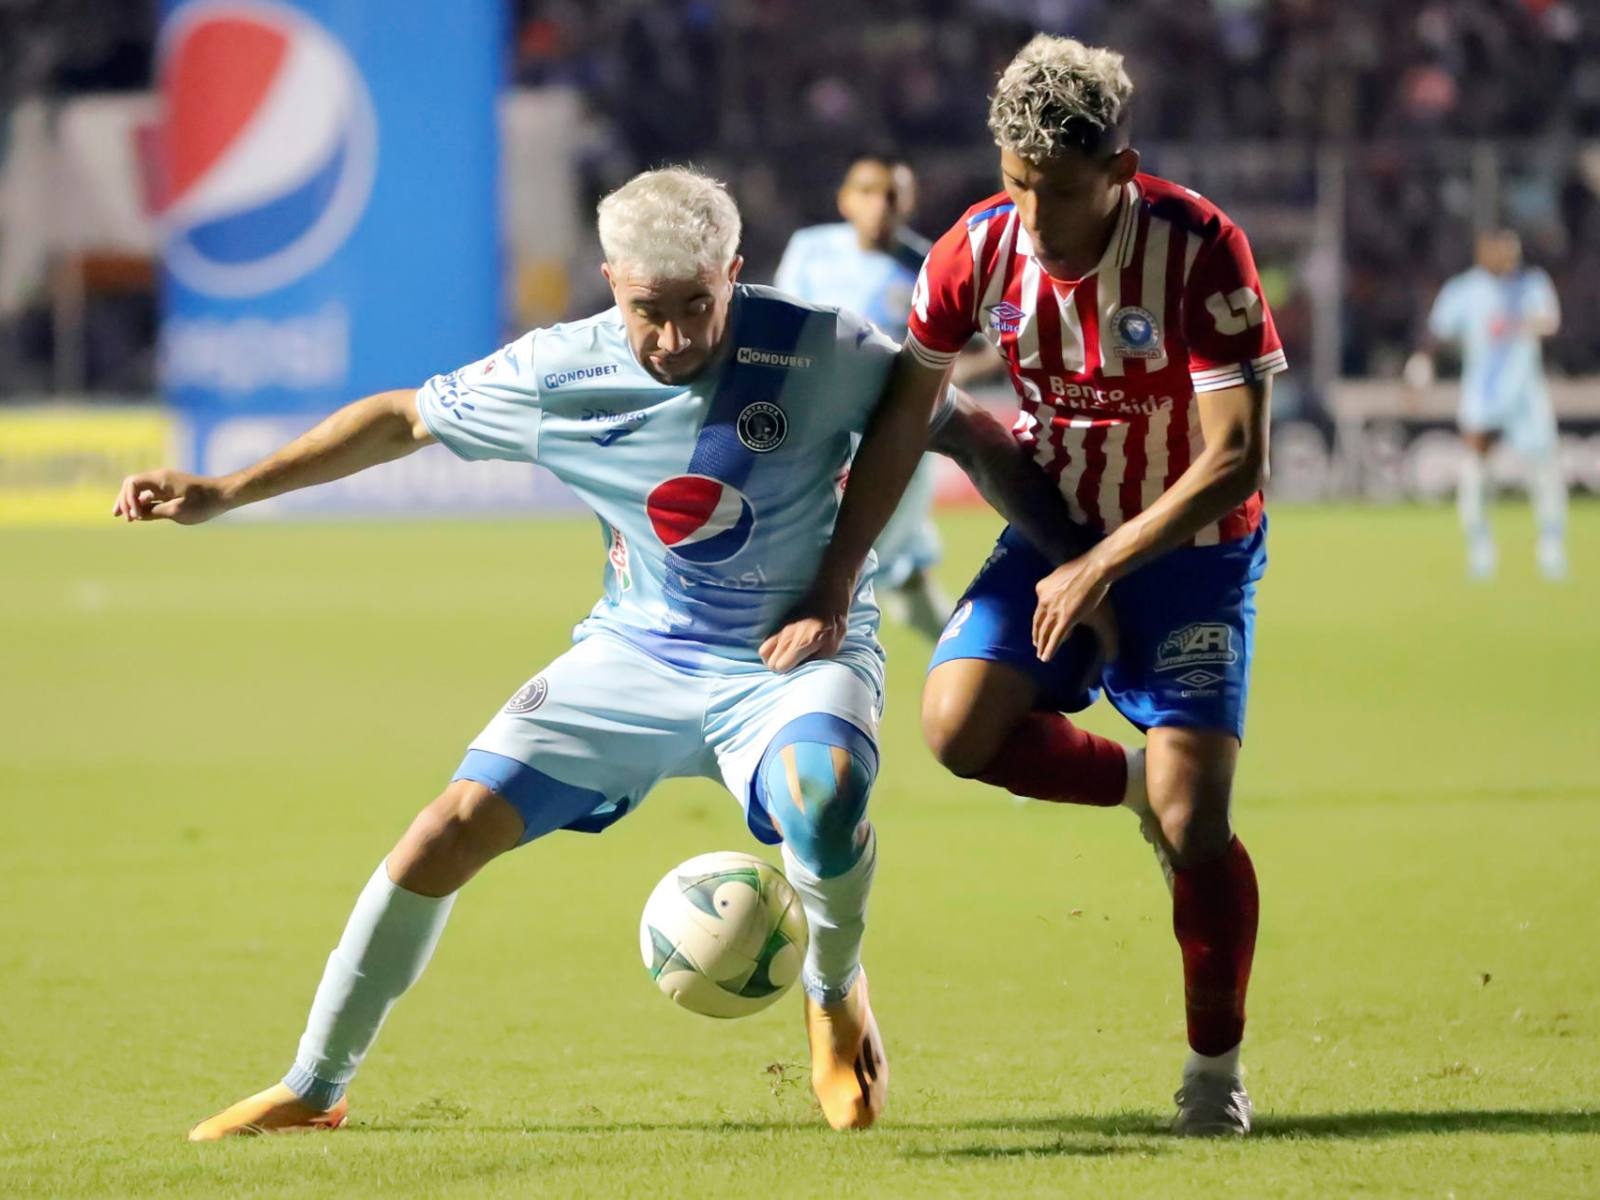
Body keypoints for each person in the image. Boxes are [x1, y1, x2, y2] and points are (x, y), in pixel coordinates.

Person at [115, 167, 1080, 1139]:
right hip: (636, 653)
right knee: (442, 832)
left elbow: (965, 431)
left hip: (792, 656)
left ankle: (833, 998)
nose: (672, 339)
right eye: (647, 312)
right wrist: (226, 490)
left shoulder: (821, 346)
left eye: (696, 307)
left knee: (822, 798)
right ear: (611, 278)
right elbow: (404, 419)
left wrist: (1077, 562)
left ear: (732, 272)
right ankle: (314, 1087)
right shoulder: (557, 371)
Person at [860, 34, 1288, 1135]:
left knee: (1199, 823)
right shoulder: (974, 249)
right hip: (1058, 530)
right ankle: (1130, 785)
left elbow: (1236, 456)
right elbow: (905, 418)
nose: (1034, 217)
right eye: (1015, 183)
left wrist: (1105, 564)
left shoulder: (1197, 249)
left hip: (1189, 554)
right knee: (955, 728)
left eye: (1058, 192)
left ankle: (1212, 1073)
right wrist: (830, 578)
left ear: (1121, 171)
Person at [774, 151, 952, 639]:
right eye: (868, 192)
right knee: (881, 571)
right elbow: (785, 325)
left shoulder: (931, 266)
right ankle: (975, 664)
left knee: (864, 565)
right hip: (818, 431)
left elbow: (982, 351)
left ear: (909, 202)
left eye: (891, 195)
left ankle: (974, 665)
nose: (880, 206)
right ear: (846, 199)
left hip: (895, 435)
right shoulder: (811, 249)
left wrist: (923, 373)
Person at [1405, 229, 1566, 581]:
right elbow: (1437, 332)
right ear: (1483, 252)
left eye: (1513, 250)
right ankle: (1480, 548)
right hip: (1483, 394)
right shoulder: (1464, 290)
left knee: (1545, 468)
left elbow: (1551, 321)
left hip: (1525, 393)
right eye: (1501, 250)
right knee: (1476, 470)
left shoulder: (1531, 285)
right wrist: (1421, 364)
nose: (1509, 256)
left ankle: (1551, 545)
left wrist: (1526, 323)